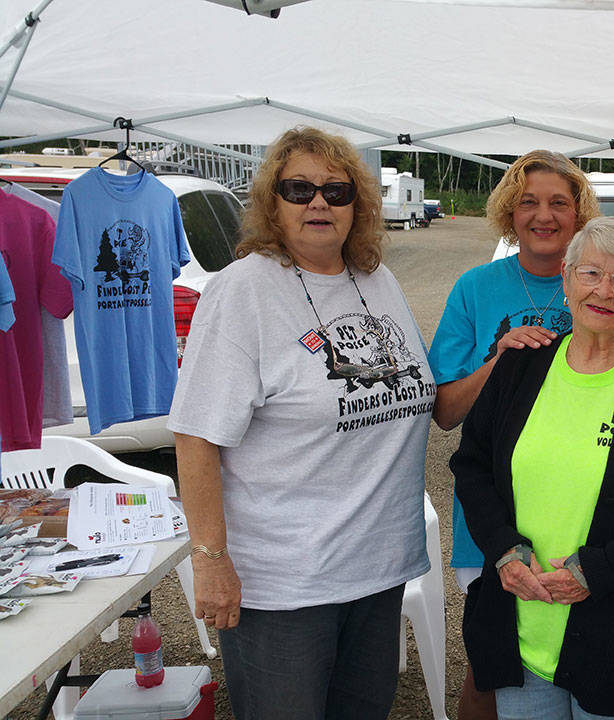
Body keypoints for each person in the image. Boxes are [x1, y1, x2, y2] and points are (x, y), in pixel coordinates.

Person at [168, 126, 434, 720]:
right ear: (272, 202)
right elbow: (195, 434)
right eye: (299, 189)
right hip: (285, 585)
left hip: (378, 569)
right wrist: (210, 559)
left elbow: (422, 394)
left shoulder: (377, 280)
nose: (319, 202)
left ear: (358, 206)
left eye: (337, 192)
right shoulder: (243, 292)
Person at [452, 215, 614, 720]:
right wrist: (505, 551)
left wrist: (597, 571)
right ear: (568, 280)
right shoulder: (521, 364)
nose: (603, 290)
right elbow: (472, 464)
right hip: (523, 626)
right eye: (591, 273)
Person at [427, 150, 614, 719]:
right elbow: (445, 411)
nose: (543, 214)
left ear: (579, 212)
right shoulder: (476, 288)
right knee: (491, 664)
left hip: (590, 528)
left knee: (583, 655)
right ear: (510, 210)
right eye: (528, 201)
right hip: (497, 524)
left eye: (558, 201)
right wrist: (497, 361)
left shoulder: (610, 287)